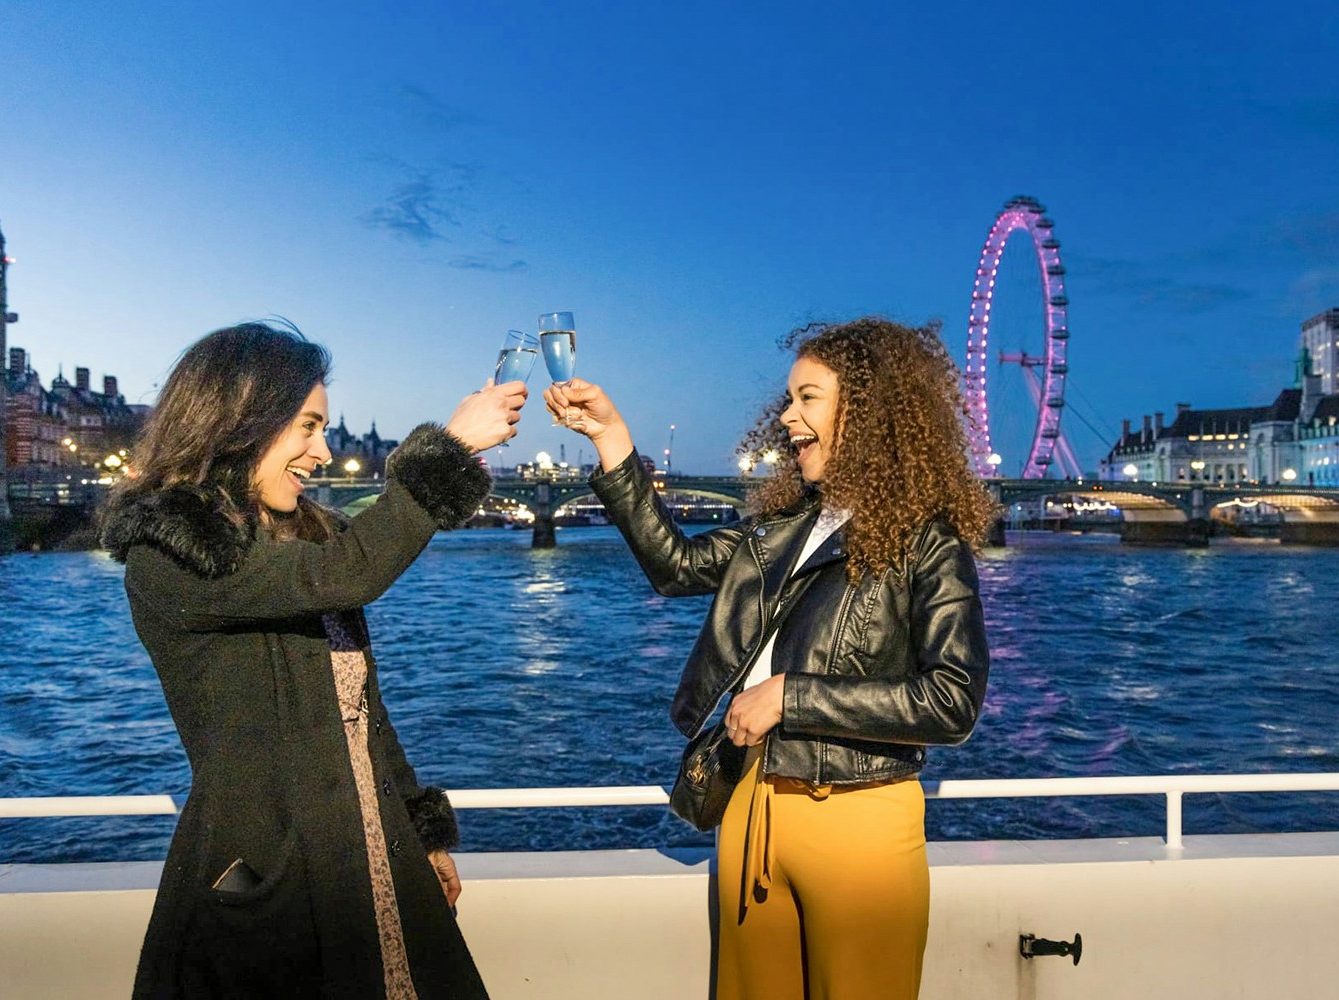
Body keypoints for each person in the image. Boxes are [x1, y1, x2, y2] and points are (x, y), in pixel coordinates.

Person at [546, 316, 995, 1000]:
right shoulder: (778, 533)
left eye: (808, 397)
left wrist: (791, 696)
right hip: (750, 801)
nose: (786, 416)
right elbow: (674, 566)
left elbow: (951, 701)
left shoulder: (927, 546)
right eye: (789, 399)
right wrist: (611, 437)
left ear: (867, 412)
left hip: (859, 819)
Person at [102, 322, 525, 999]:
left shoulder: (301, 543)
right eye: (307, 426)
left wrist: (420, 829)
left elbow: (364, 714)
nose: (323, 452)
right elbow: (353, 571)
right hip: (272, 880)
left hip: (378, 860)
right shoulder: (174, 556)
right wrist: (449, 450)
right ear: (240, 423)